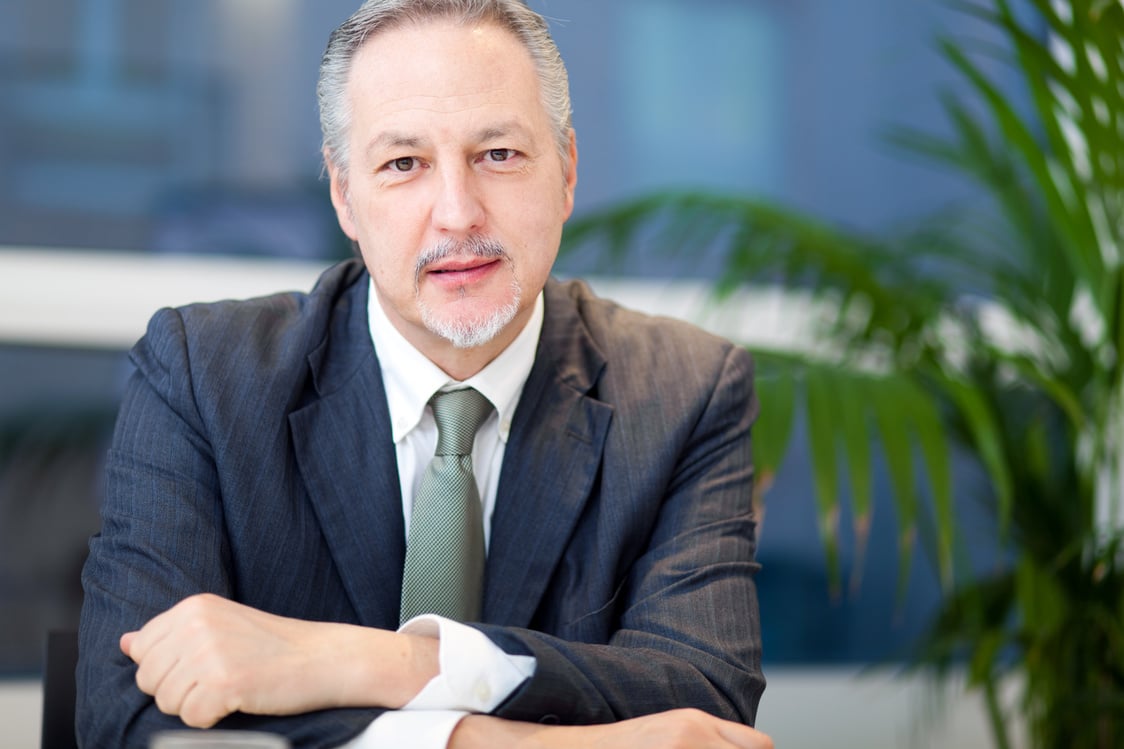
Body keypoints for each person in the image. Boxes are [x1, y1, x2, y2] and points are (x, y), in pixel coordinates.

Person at [76, 1, 771, 747]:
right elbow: (127, 717)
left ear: (566, 173)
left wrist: (376, 659)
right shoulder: (202, 374)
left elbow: (706, 699)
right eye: (403, 164)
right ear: (345, 195)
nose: (457, 213)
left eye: (497, 154)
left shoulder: (685, 391)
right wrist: (497, 739)